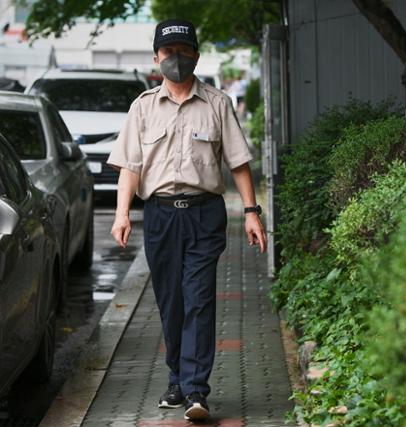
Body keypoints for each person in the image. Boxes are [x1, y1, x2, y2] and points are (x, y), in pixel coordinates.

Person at [107, 19, 266, 422]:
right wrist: (122, 213)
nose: (175, 58)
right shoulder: (143, 106)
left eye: (183, 51)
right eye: (168, 52)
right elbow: (129, 166)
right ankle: (178, 378)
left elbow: (239, 163)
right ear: (156, 57)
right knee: (171, 304)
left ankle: (196, 391)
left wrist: (251, 212)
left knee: (198, 299)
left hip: (204, 215)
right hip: (160, 215)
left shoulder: (217, 104)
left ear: (195, 54)